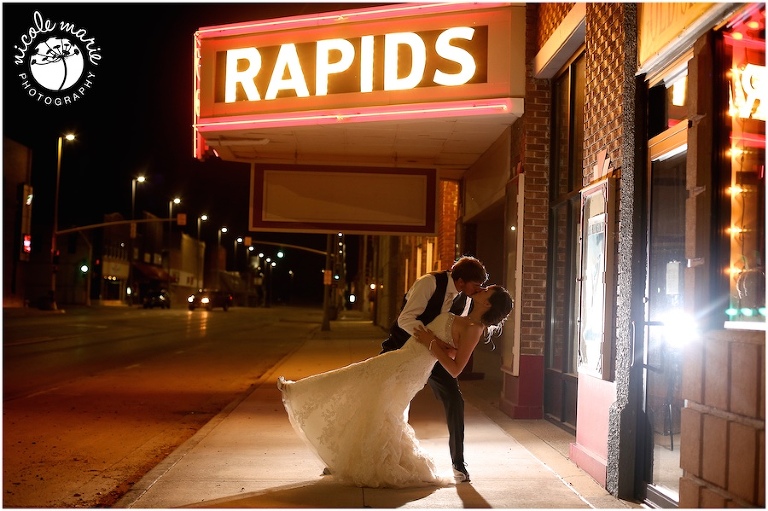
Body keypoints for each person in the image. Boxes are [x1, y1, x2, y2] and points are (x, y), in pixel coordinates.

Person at [277, 285, 513, 489]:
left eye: (487, 290)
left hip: (411, 367)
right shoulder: (464, 317)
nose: (482, 289)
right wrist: (436, 343)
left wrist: (431, 343)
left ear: (488, 302)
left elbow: (455, 368)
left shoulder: (474, 329)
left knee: (362, 381)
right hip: (405, 356)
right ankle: (347, 454)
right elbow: (451, 347)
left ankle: (297, 391)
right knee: (369, 392)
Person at [381, 255, 488, 482]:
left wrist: (443, 348)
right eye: (476, 284)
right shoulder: (429, 283)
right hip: (402, 349)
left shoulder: (464, 298)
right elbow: (405, 320)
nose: (479, 290)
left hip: (434, 355)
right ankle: (353, 455)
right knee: (379, 400)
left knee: (455, 400)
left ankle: (459, 464)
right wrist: (432, 340)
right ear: (461, 281)